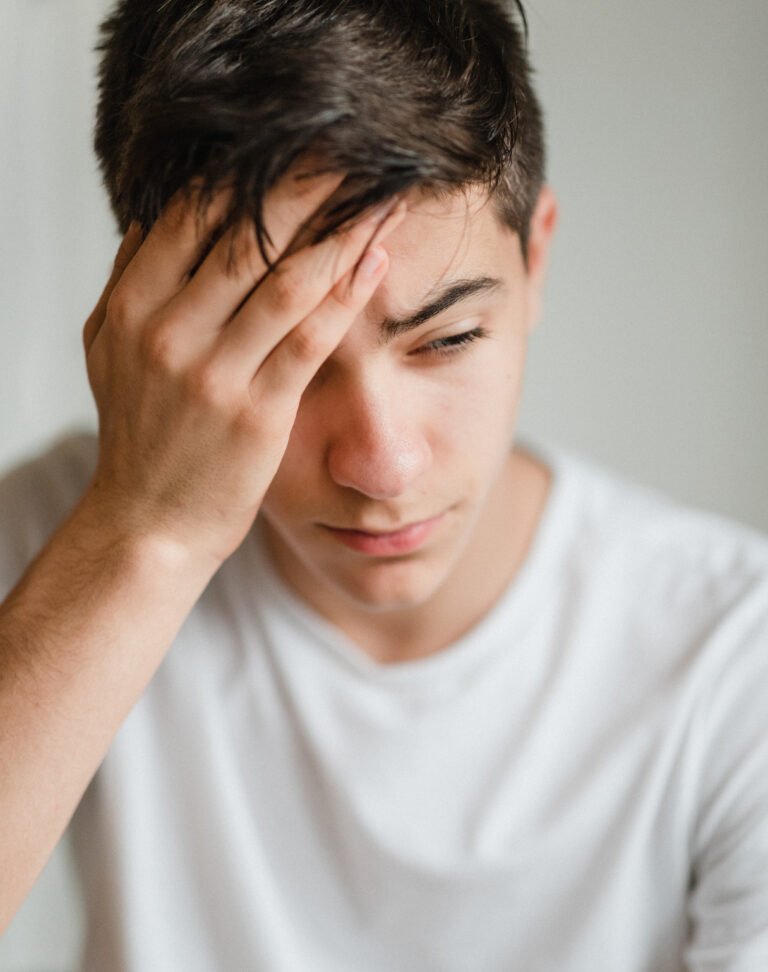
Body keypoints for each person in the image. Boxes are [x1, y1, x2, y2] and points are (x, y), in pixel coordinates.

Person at [1, 0, 767, 968]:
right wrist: (145, 537)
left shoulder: (733, 657)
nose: (382, 464)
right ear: (151, 329)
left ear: (535, 257)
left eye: (448, 339)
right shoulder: (67, 539)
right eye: (282, 357)